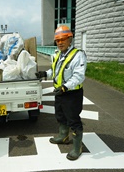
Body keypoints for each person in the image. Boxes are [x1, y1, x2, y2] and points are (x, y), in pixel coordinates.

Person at [36, 25, 87, 160]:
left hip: (72, 94)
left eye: (63, 39)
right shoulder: (58, 55)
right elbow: (55, 72)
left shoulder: (78, 55)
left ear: (70, 39)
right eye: (57, 40)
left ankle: (77, 147)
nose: (60, 43)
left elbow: (79, 76)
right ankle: (63, 136)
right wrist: (45, 74)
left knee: (73, 120)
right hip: (60, 92)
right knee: (60, 115)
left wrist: (65, 86)